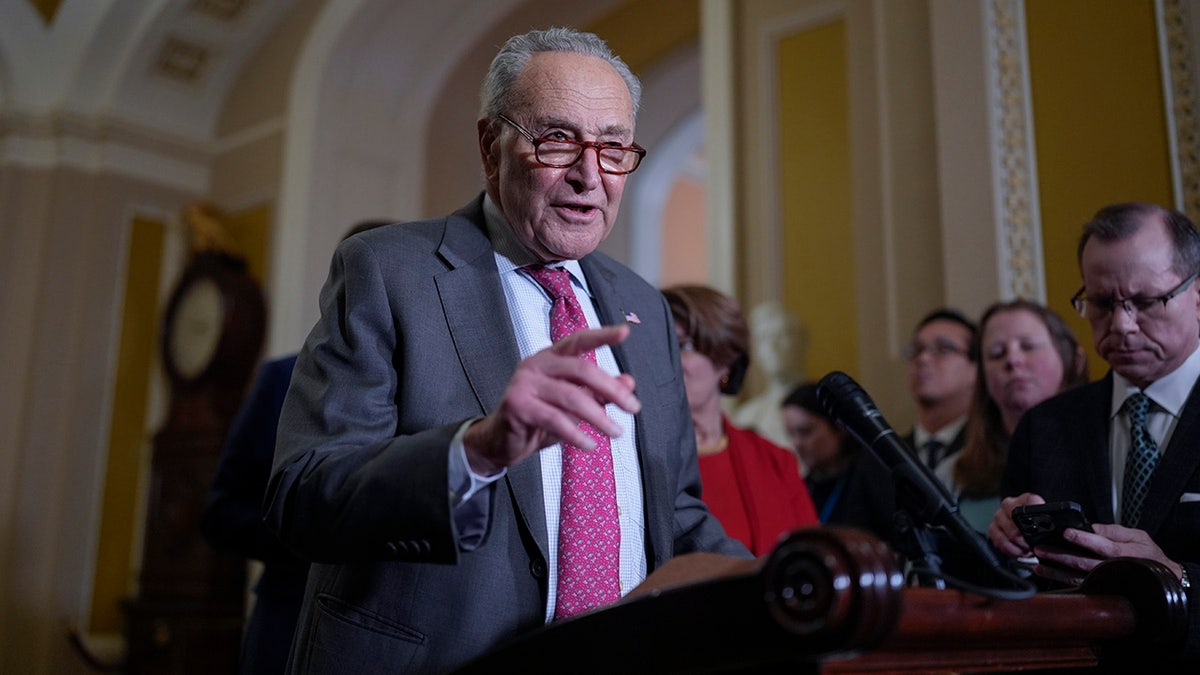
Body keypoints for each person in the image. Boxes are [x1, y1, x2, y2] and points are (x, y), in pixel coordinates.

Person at [263, 27, 749, 674]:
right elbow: (302, 498)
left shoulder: (645, 305)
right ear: (492, 146)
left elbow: (675, 508)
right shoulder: (388, 272)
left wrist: (772, 586)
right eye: (557, 139)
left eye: (612, 148)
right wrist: (479, 449)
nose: (588, 175)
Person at [989, 202, 1200, 663]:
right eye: (1102, 304)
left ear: (1197, 293)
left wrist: (1176, 578)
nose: (1122, 326)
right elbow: (1018, 592)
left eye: (1145, 302)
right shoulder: (1045, 427)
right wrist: (1010, 545)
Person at [199, 221, 392, 675]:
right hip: (287, 627)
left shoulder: (441, 390)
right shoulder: (279, 379)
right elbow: (220, 514)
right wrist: (309, 529)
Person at [663, 285, 818, 556]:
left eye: (683, 346)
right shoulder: (638, 461)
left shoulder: (775, 461)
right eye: (659, 347)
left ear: (725, 360)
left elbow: (812, 557)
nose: (667, 359)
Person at [933, 300, 1087, 532]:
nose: (1013, 360)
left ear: (1073, 361)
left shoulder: (1108, 450)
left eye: (1028, 346)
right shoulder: (953, 473)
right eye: (996, 353)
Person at [780, 382, 895, 542]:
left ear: (839, 427)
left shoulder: (873, 477)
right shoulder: (804, 487)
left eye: (805, 432)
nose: (797, 444)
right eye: (791, 433)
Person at [903, 308, 979, 469]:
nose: (923, 358)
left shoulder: (994, 450)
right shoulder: (881, 457)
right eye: (917, 350)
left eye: (943, 349)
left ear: (976, 369)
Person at [731, 301, 807, 451]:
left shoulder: (827, 407)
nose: (773, 346)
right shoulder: (747, 416)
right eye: (764, 338)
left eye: (782, 335)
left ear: (803, 343)